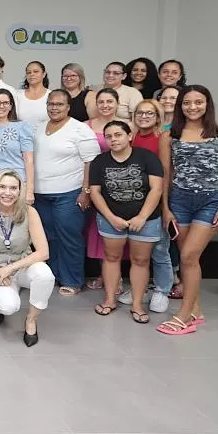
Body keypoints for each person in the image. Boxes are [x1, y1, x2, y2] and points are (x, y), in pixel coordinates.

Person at [158, 85, 218, 336]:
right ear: (180, 105)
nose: (192, 107)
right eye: (187, 103)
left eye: (198, 102)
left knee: (189, 256)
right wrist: (166, 209)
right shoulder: (170, 136)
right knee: (188, 259)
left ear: (208, 104)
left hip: (210, 201)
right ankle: (197, 310)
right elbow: (165, 175)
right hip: (179, 201)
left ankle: (184, 315)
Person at [89, 120, 164, 325]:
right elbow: (95, 192)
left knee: (140, 261)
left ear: (130, 136)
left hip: (146, 220)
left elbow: (156, 189)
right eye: (109, 136)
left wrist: (141, 217)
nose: (114, 139)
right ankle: (110, 299)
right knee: (111, 258)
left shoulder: (147, 158)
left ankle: (137, 305)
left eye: (118, 135)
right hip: (111, 219)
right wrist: (111, 217)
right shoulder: (99, 161)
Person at [0, 169, 53, 347]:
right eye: (2, 187)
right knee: (9, 307)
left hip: (22, 266)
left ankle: (31, 320)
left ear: (20, 191)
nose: (7, 193)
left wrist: (9, 269)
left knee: (45, 275)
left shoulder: (30, 212)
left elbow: (43, 252)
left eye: (13, 188)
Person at [33, 90, 100, 295]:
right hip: (40, 194)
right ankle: (54, 275)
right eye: (51, 104)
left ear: (68, 107)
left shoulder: (80, 130)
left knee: (69, 236)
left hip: (69, 193)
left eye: (59, 104)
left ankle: (72, 280)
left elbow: (92, 161)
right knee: (48, 237)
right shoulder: (38, 128)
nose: (54, 108)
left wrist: (86, 191)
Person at [122, 98, 173, 313]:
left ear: (158, 117)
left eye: (149, 113)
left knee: (160, 249)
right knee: (137, 253)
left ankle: (162, 290)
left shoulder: (162, 139)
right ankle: (139, 289)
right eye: (140, 113)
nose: (144, 117)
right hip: (132, 201)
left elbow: (165, 175)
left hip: (157, 201)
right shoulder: (130, 139)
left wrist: (165, 206)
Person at [85, 87, 123, 293]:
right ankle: (103, 275)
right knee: (99, 231)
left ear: (117, 103)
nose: (105, 105)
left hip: (121, 182)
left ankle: (116, 278)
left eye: (110, 101)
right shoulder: (86, 126)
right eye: (101, 102)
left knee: (118, 231)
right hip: (95, 181)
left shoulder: (128, 125)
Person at [0, 89, 34, 201]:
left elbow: (29, 161)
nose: (1, 106)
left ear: (11, 106)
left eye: (5, 103)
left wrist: (30, 191)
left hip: (17, 184)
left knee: (19, 218)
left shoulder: (22, 127)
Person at [16, 60, 50, 126]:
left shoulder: (51, 95)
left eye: (36, 71)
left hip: (45, 135)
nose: (32, 74)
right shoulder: (17, 95)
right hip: (21, 135)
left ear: (44, 74)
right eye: (29, 72)